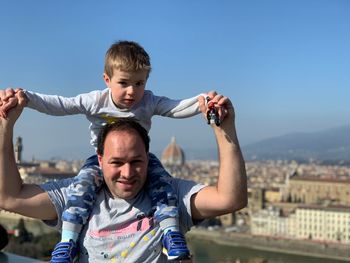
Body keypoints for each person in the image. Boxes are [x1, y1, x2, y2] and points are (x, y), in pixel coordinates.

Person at [0, 40, 216, 262]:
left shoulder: (149, 101)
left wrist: (203, 102)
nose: (132, 91)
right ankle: (68, 241)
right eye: (124, 83)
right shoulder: (96, 101)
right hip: (100, 161)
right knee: (80, 191)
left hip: (141, 159)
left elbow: (175, 107)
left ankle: (171, 233)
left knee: (163, 188)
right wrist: (26, 98)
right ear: (107, 79)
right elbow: (60, 105)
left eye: (140, 83)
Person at [0, 91, 246, 262]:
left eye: (136, 162)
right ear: (99, 160)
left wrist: (225, 128)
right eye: (116, 162)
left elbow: (230, 199)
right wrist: (5, 127)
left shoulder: (168, 194)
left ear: (148, 158)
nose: (127, 173)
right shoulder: (76, 195)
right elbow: (9, 197)